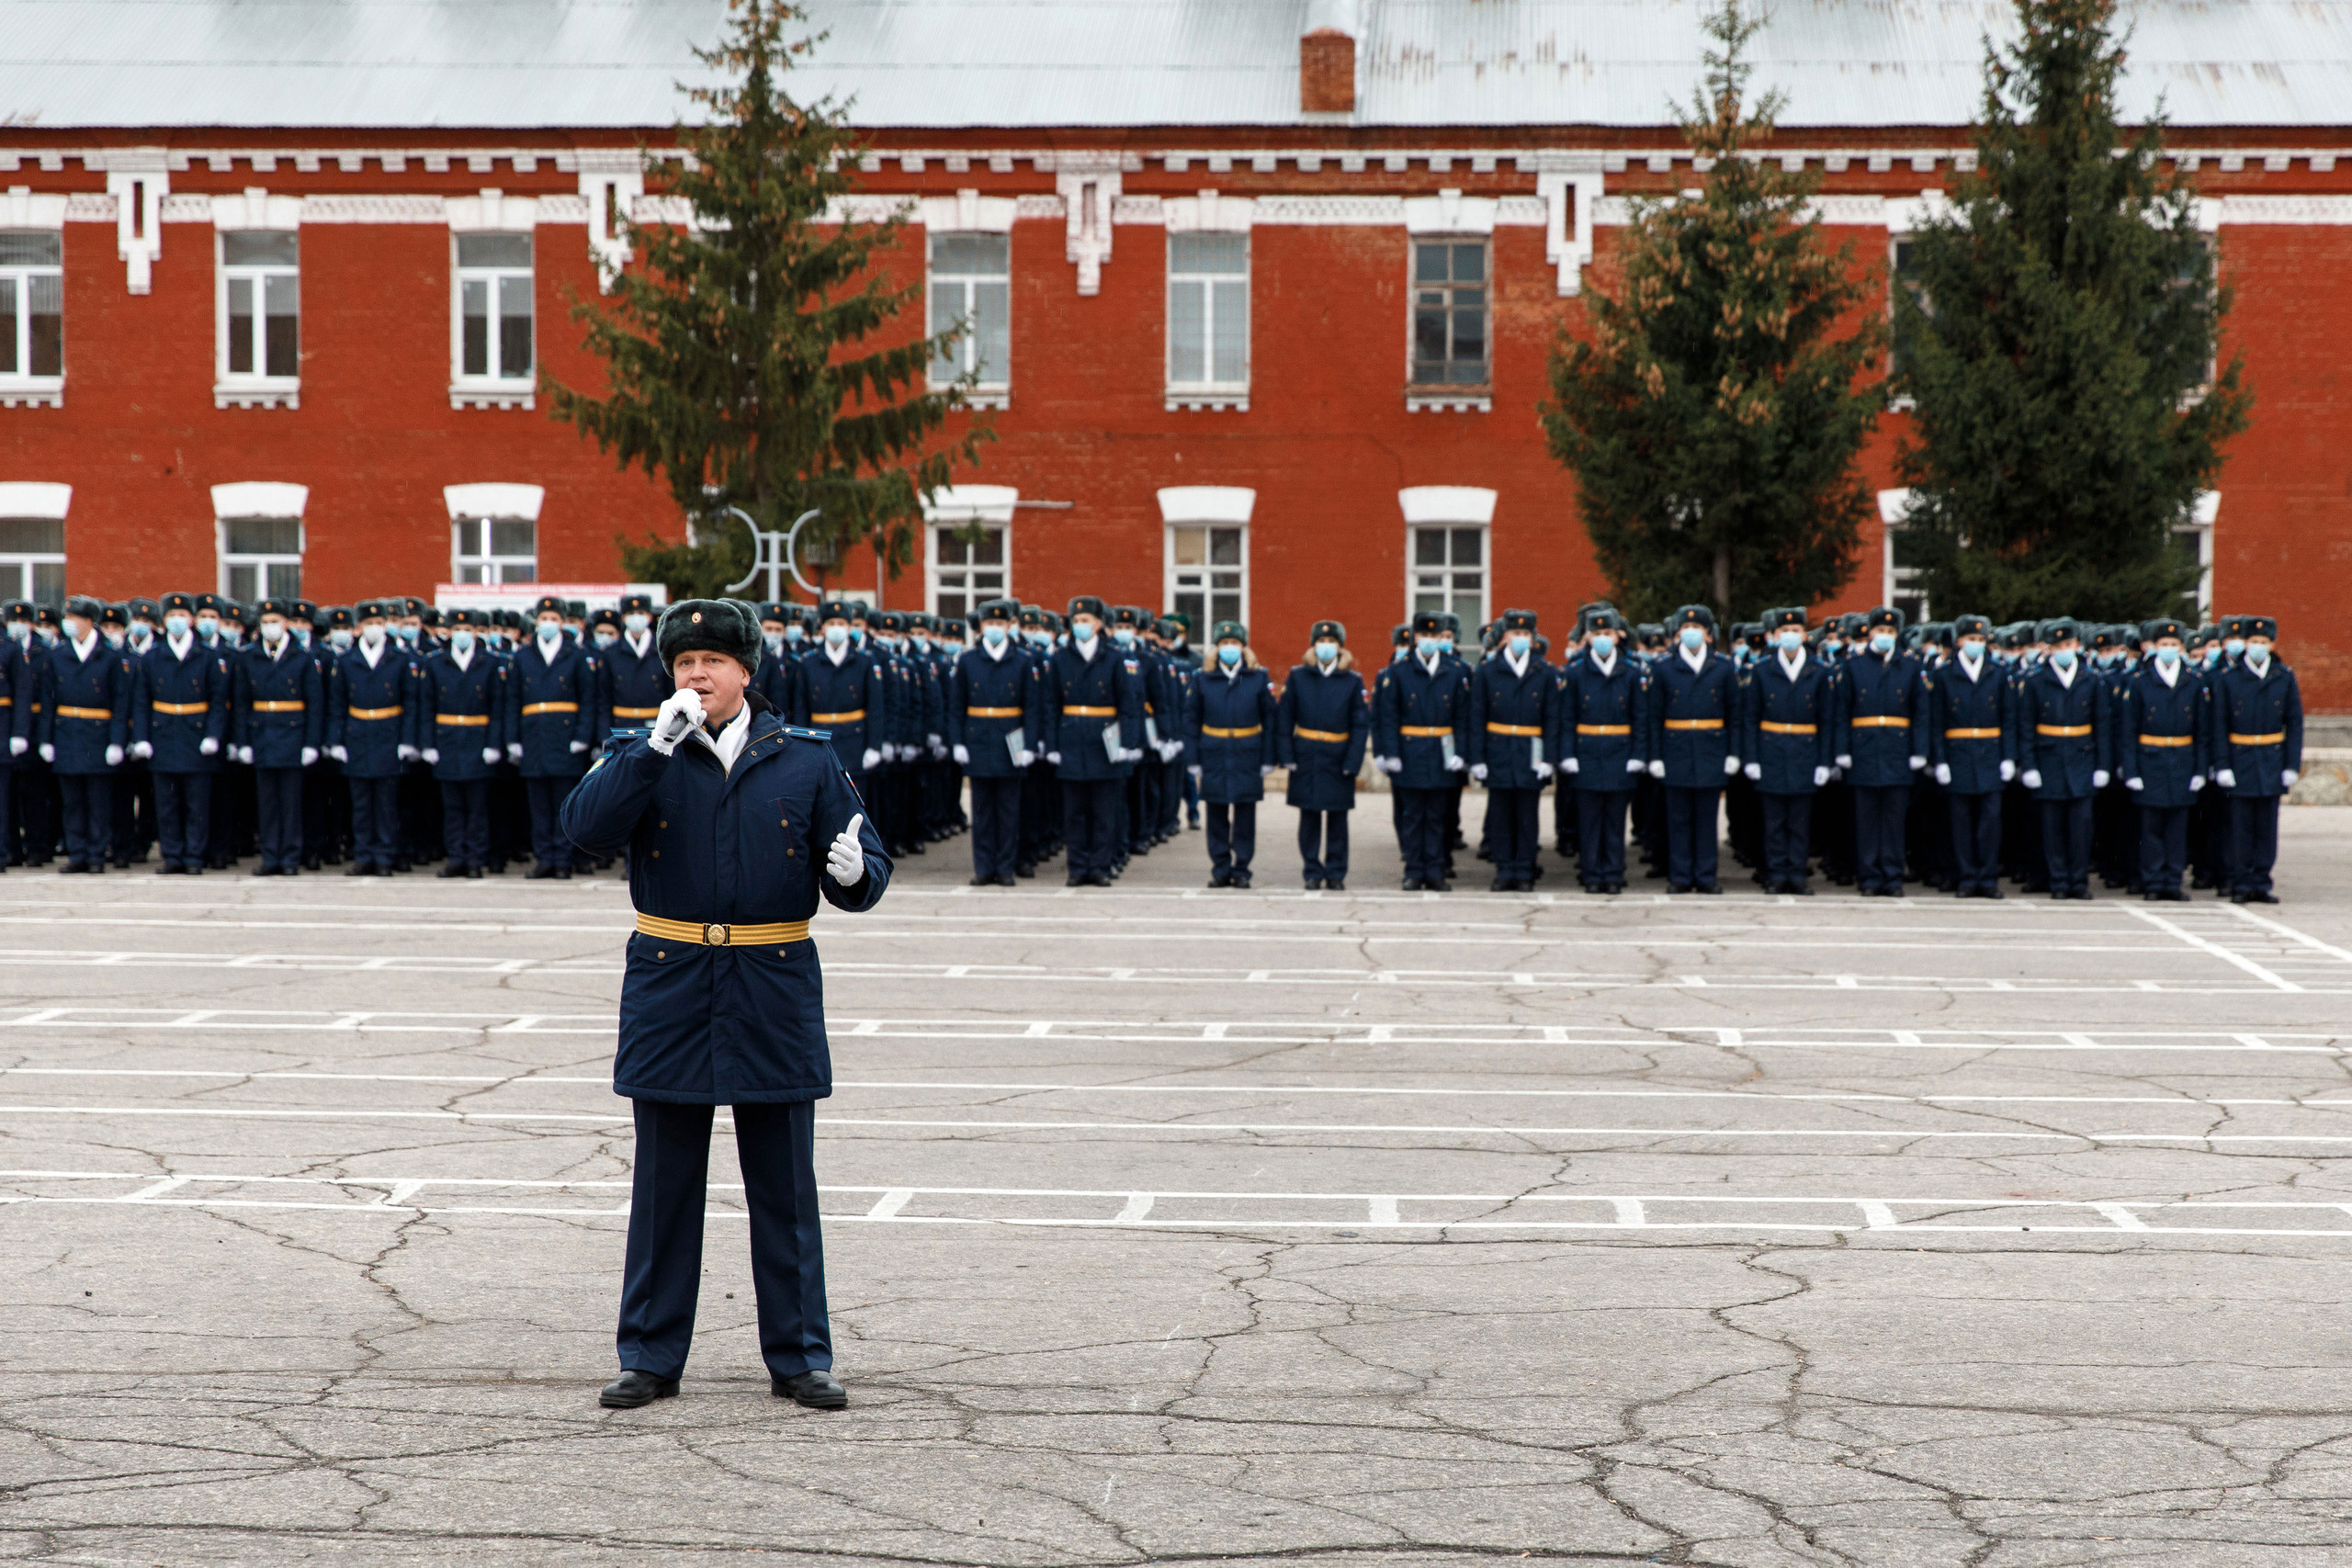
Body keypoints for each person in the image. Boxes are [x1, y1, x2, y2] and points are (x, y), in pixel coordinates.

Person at [560, 597, 889, 1413]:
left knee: (783, 1185)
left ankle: (800, 1355)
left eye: (712, 662)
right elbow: (583, 830)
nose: (697, 675)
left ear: (747, 671)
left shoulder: (807, 758)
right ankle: (649, 1354)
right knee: (666, 1184)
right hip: (671, 980)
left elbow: (867, 870)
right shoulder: (643, 749)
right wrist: (650, 750)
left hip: (770, 982)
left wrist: (850, 873)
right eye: (683, 664)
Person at [1041, 595, 1143, 887]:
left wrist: (1128, 742)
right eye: (1076, 621)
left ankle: (1099, 866)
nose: (1080, 626)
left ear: (1098, 624)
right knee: (1074, 812)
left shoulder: (1114, 658)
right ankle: (1077, 867)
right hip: (1072, 738)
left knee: (1103, 811)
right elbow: (1050, 705)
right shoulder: (1060, 659)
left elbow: (1129, 705)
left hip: (1105, 741)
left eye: (1085, 621)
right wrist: (1051, 746)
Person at [131, 592, 232, 874]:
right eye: (172, 616)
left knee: (196, 804)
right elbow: (142, 702)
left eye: (182, 616)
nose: (177, 621)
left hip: (195, 736)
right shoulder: (153, 657)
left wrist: (213, 735)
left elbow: (217, 701)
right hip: (163, 736)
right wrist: (141, 737)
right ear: (163, 622)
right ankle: (172, 855)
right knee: (166, 803)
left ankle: (194, 856)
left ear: (191, 619)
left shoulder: (207, 656)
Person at [1373, 611, 1470, 891]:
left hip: (1443, 753)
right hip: (1410, 752)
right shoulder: (1399, 672)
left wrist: (1461, 754)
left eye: (1433, 635)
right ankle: (1414, 870)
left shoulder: (1454, 671)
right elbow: (1388, 715)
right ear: (1415, 637)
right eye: (1423, 635)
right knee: (1413, 817)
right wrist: (1389, 753)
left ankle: (1436, 869)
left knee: (1439, 817)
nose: (1428, 640)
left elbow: (1462, 717)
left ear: (1441, 637)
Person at [1741, 607, 1836, 896]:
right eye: (1784, 632)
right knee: (1773, 823)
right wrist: (1751, 758)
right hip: (1771, 752)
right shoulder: (1761, 671)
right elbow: (1750, 718)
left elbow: (1827, 719)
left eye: (1795, 632)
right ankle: (1776, 874)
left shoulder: (1819, 672)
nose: (1790, 636)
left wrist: (1824, 761)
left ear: (1804, 635)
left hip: (1805, 754)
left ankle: (1796, 875)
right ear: (1774, 636)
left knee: (1799, 822)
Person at [2209, 615, 2301, 903]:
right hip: (2240, 759)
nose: (2258, 646)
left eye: (2264, 642)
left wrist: (2291, 765)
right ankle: (2240, 882)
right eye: (2253, 641)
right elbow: (2219, 725)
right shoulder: (2230, 678)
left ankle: (2261, 881)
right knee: (2240, 826)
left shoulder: (2283, 676)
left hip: (2271, 760)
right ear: (2245, 643)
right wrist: (2222, 764)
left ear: (2272, 644)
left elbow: (2294, 723)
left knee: (2267, 826)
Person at [946, 596, 1039, 886]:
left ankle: (1005, 868)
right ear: (981, 626)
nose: (995, 628)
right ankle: (984, 868)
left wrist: (1030, 745)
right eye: (990, 623)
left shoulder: (1022, 661)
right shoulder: (968, 660)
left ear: (1010, 625)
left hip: (1010, 742)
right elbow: (956, 706)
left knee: (1009, 811)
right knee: (982, 811)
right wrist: (958, 742)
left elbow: (1032, 707)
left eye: (1001, 623)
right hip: (978, 741)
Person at [1645, 604, 1737, 895]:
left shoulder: (1722, 667)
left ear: (1708, 635)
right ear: (1676, 635)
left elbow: (1735, 714)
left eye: (1697, 628)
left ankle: (1707, 876)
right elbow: (1654, 716)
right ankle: (1681, 876)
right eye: (1685, 629)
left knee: (1707, 819)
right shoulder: (1663, 667)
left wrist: (1733, 753)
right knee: (1678, 819)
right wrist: (1656, 756)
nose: (1691, 633)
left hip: (1711, 750)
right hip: (1676, 751)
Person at [2014, 617, 2108, 899]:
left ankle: (2078, 881)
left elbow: (2102, 726)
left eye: (2068, 644)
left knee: (2081, 826)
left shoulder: (2091, 680)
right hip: (2049, 758)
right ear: (2047, 648)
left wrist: (2103, 765)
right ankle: (2058, 881)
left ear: (2077, 645)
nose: (2064, 649)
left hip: (2082, 758)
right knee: (2051, 827)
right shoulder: (2035, 681)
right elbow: (2025, 727)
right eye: (2057, 645)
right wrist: (2028, 765)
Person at [1555, 608, 1646, 895]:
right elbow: (1567, 718)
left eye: (1607, 633)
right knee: (1589, 820)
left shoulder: (1632, 673)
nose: (1603, 639)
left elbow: (1641, 718)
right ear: (1588, 638)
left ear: (1618, 636)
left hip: (1620, 754)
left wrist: (1638, 755)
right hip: (1587, 754)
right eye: (1597, 634)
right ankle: (1593, 873)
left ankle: (1614, 873)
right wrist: (1567, 754)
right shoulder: (1575, 673)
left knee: (1615, 821)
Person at [509, 593, 599, 880]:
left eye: (554, 619)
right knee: (538, 805)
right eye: (544, 619)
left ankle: (563, 859)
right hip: (533, 736)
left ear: (562, 623)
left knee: (564, 803)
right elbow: (512, 700)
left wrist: (584, 735)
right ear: (536, 622)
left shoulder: (576, 655)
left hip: (565, 736)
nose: (548, 623)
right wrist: (512, 739)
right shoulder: (522, 656)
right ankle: (544, 858)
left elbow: (589, 699)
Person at [40, 595, 132, 874]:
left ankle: (96, 855)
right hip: (67, 732)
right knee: (72, 801)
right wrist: (46, 739)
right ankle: (77, 853)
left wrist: (117, 742)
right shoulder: (58, 656)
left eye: (74, 618)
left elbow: (120, 703)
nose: (68, 623)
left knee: (98, 801)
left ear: (89, 622)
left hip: (98, 735)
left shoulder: (110, 657)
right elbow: (48, 702)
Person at [2116, 617, 2206, 901]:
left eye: (2173, 644)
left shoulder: (2193, 681)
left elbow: (2203, 731)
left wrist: (2200, 769)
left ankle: (2173, 881)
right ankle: (2153, 881)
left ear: (2181, 647)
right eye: (2163, 644)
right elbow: (2128, 730)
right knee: (2151, 828)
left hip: (2182, 760)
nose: (2168, 649)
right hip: (2150, 760)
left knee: (2177, 828)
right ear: (2153, 647)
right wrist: (2130, 769)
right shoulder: (2140, 682)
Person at [1927, 614, 2016, 898]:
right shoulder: (1944, 675)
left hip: (1990, 753)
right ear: (1960, 641)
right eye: (1971, 639)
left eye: (1981, 639)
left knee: (1990, 821)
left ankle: (1987, 878)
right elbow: (1936, 722)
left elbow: (2009, 718)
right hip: (1959, 754)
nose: (1976, 644)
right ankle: (1966, 877)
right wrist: (1939, 760)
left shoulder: (1998, 673)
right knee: (1961, 822)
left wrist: (2008, 757)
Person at [1840, 605, 1928, 897]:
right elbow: (1841, 712)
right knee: (1866, 820)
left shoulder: (1910, 666)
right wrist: (1842, 750)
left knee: (1893, 821)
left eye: (1891, 632)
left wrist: (1919, 750)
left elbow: (1921, 713)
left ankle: (1892, 876)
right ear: (1870, 632)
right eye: (1880, 631)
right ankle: (1868, 876)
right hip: (1864, 751)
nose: (1885, 636)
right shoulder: (1854, 666)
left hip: (1897, 752)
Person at [415, 607, 507, 879]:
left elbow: (497, 707)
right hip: (447, 741)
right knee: (452, 807)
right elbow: (426, 706)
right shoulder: (435, 662)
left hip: (477, 740)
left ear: (476, 632)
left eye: (467, 630)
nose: (462, 634)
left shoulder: (489, 662)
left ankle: (476, 859)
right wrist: (427, 743)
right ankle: (456, 857)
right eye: (457, 630)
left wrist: (494, 744)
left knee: (477, 807)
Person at [232, 598, 322, 876]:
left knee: (291, 802)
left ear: (286, 623)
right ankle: (271, 857)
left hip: (293, 734)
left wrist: (311, 743)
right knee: (267, 802)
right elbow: (241, 702)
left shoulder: (301, 656)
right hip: (262, 734)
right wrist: (243, 742)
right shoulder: (249, 656)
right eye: (266, 623)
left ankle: (291, 857)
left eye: (276, 622)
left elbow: (315, 704)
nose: (271, 627)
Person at [1277, 618, 1367, 891]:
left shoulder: (1352, 681)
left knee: (1338, 819)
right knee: (1309, 817)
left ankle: (1336, 872)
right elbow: (1285, 719)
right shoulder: (1299, 676)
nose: (1326, 646)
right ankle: (1312, 871)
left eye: (1331, 642)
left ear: (1340, 648)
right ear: (1313, 646)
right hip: (1306, 754)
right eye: (1321, 641)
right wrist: (1287, 755)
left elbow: (1360, 724)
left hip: (1338, 755)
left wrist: (1354, 761)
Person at [1185, 619, 1275, 889]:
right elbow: (1191, 720)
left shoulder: (1258, 677)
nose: (1229, 648)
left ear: (1243, 647)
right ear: (1216, 648)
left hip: (1247, 752)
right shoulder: (1202, 678)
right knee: (1216, 814)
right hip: (1213, 751)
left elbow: (1270, 719)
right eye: (1224, 644)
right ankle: (1220, 868)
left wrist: (1269, 757)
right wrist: (1192, 759)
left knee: (1245, 814)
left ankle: (1242, 868)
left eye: (1234, 643)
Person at [1470, 608, 1553, 893]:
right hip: (1499, 752)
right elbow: (1477, 717)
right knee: (1501, 815)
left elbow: (1553, 719)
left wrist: (1549, 758)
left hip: (1531, 752)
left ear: (1533, 639)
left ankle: (1524, 869)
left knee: (1528, 817)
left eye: (1526, 634)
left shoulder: (1544, 672)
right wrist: (1477, 758)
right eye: (1515, 633)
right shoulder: (1487, 671)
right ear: (1504, 637)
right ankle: (1505, 869)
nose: (1520, 638)